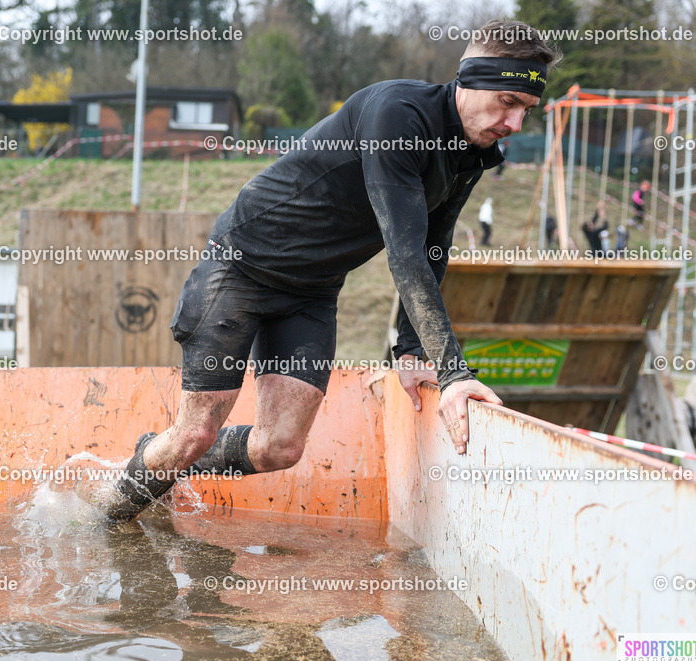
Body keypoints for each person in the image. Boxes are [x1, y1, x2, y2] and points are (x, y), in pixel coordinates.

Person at [85, 20, 562, 521]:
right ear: (469, 80)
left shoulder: (473, 151)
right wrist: (454, 374)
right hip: (242, 267)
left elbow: (432, 246)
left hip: (311, 292)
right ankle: (104, 517)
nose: (515, 123)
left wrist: (411, 349)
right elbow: (403, 253)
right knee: (196, 433)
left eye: (526, 110)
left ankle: (155, 458)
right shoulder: (398, 115)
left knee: (280, 449)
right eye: (507, 101)